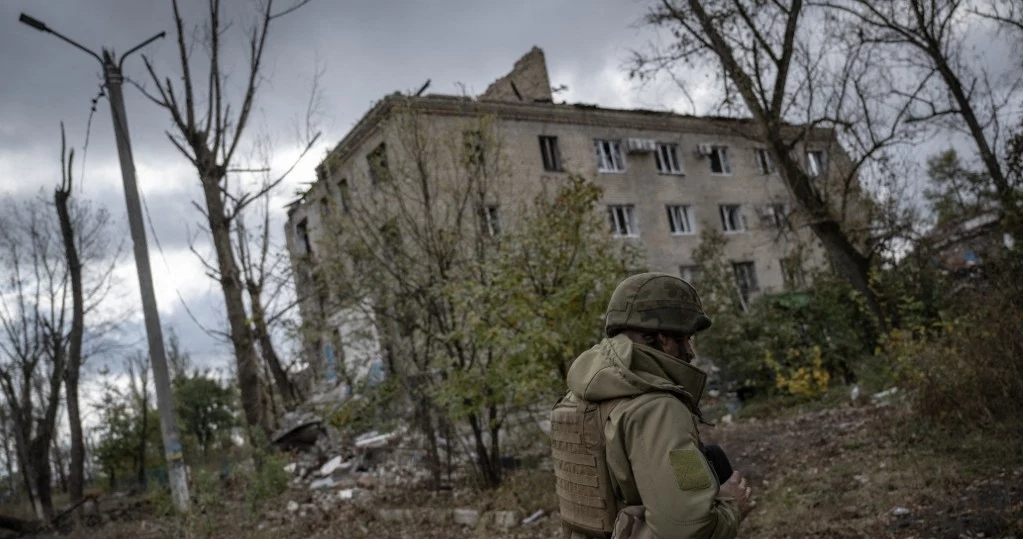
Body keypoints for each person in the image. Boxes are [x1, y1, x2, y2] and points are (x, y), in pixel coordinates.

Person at [550, 272, 755, 539]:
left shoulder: (578, 397)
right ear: (654, 337)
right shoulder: (658, 410)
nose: (690, 352)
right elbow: (686, 528)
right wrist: (731, 506)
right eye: (683, 339)